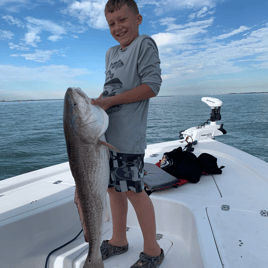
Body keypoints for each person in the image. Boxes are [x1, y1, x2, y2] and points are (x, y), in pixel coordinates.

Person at [91, 0, 164, 267]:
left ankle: (153, 250)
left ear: (138, 19)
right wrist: (98, 102)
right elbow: (110, 90)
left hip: (127, 140)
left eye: (123, 20)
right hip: (105, 139)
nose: (117, 27)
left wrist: (110, 102)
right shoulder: (110, 53)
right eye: (111, 23)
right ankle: (118, 240)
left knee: (134, 191)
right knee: (112, 190)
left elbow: (152, 86)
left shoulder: (144, 43)